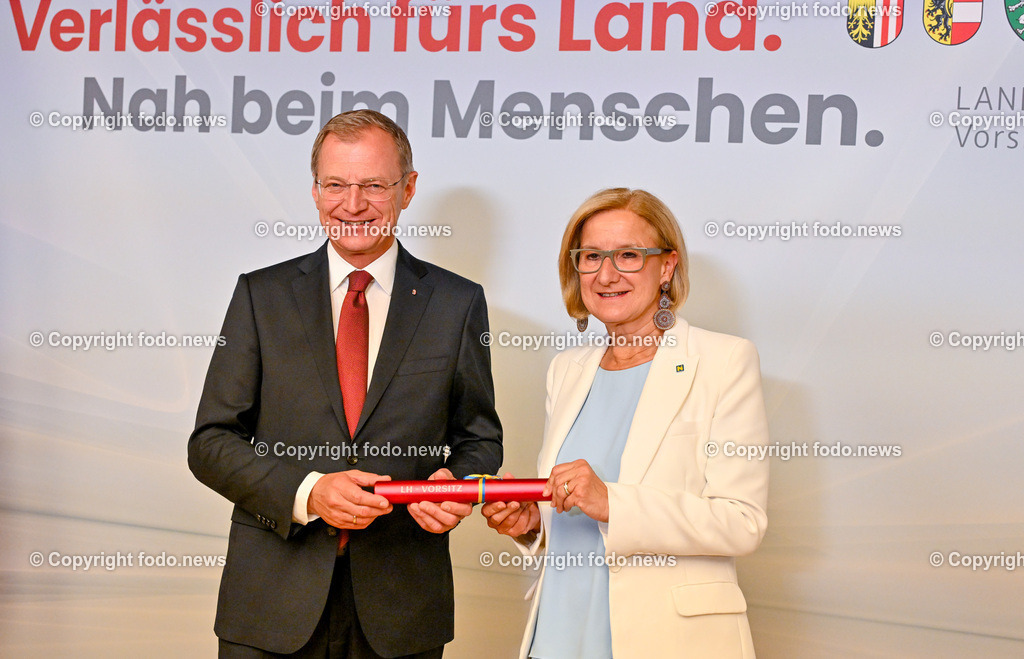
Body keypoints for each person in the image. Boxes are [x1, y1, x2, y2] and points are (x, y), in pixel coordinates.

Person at [188, 109, 502, 658]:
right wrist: (309, 492)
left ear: (407, 189)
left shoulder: (457, 303)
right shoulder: (261, 296)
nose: (352, 204)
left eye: (374, 185)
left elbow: (480, 439)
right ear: (314, 191)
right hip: (269, 607)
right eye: (335, 184)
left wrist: (458, 482)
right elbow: (211, 443)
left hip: (402, 609)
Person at [481, 188, 768, 658]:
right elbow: (572, 519)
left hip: (663, 641)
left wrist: (612, 501)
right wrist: (532, 525)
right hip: (556, 635)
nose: (606, 274)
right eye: (591, 256)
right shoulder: (567, 369)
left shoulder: (724, 361)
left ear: (667, 266)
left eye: (629, 255)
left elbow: (742, 520)